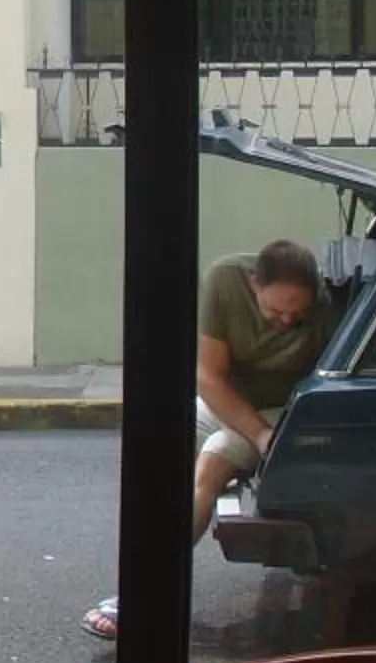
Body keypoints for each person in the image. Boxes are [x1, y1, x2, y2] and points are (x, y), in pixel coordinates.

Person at [82, 239, 327, 640]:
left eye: (296, 314)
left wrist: (266, 435)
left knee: (211, 465)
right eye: (275, 310)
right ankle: (139, 573)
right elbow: (209, 376)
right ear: (254, 285)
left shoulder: (325, 305)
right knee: (158, 447)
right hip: (228, 399)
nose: (285, 320)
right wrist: (256, 432)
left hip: (280, 408)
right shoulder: (225, 279)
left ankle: (146, 598)